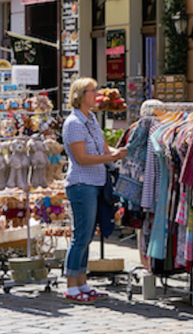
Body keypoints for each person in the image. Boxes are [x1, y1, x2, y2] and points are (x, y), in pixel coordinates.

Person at [62, 77, 125, 303]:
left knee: (88, 235)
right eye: (92, 91)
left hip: (96, 183)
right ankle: (71, 286)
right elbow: (82, 157)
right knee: (81, 236)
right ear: (80, 95)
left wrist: (120, 152)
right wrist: (111, 157)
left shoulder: (91, 120)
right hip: (82, 184)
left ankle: (82, 282)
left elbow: (104, 149)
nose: (96, 94)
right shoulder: (74, 123)